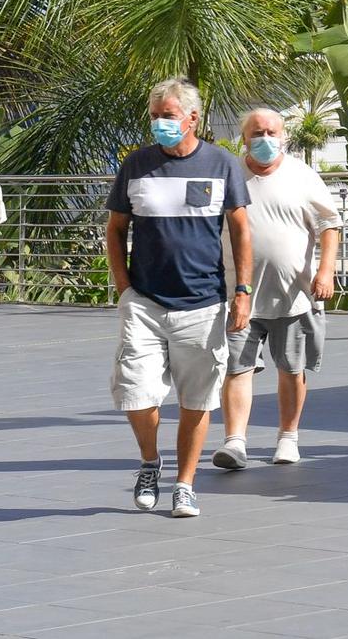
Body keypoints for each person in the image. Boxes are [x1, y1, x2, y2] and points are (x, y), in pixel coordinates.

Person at [106, 78, 253, 519]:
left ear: (192, 118)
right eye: (155, 116)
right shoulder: (136, 165)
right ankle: (151, 462)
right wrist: (123, 286)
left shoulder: (221, 164)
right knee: (136, 393)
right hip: (145, 302)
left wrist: (242, 291)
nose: (160, 124)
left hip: (204, 303)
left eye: (167, 116)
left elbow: (242, 230)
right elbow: (115, 229)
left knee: (197, 399)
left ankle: (185, 484)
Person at [212, 109, 342, 472]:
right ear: (244, 138)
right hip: (240, 295)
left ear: (283, 136)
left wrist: (326, 271)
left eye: (271, 131)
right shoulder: (230, 174)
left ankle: (288, 437)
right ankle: (235, 441)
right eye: (257, 132)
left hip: (294, 294)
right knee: (237, 368)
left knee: (291, 368)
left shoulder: (302, 175)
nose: (264, 138)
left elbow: (329, 225)